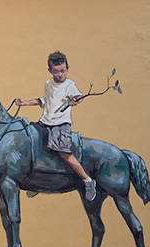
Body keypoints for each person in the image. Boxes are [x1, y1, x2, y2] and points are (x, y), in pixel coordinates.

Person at [15, 51, 96, 201]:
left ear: (67, 69)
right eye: (56, 71)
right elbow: (44, 100)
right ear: (50, 71)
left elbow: (78, 96)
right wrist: (25, 102)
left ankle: (88, 181)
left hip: (60, 125)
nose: (59, 74)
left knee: (64, 153)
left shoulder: (69, 84)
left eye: (63, 71)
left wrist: (75, 101)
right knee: (34, 147)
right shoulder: (48, 84)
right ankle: (37, 182)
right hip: (45, 122)